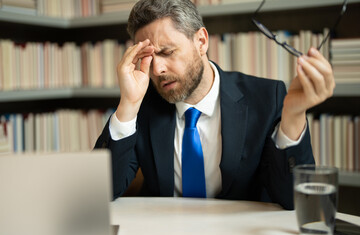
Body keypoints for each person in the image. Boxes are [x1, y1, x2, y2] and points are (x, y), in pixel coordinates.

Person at [95, 0, 335, 210]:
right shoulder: (143, 105)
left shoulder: (267, 97)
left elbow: (294, 200)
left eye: (167, 52)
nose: (157, 70)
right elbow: (99, 192)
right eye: (147, 58)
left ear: (201, 41)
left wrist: (293, 115)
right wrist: (128, 104)